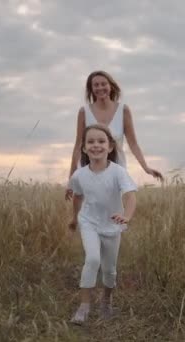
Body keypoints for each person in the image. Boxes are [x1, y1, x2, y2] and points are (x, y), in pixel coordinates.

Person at [68, 124, 137, 325]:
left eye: (101, 141)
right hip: (89, 222)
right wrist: (74, 218)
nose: (96, 145)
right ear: (83, 147)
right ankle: (84, 307)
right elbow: (77, 197)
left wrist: (127, 217)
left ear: (110, 147)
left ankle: (106, 301)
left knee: (110, 270)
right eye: (90, 141)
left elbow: (131, 197)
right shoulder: (79, 175)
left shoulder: (118, 172)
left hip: (112, 226)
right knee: (92, 259)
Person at [66, 70, 163, 200]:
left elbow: (133, 144)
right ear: (91, 89)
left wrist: (145, 167)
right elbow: (78, 145)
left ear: (111, 86)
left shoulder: (123, 110)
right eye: (96, 85)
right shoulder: (84, 112)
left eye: (103, 84)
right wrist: (71, 179)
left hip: (116, 167)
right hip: (88, 169)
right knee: (89, 212)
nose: (100, 88)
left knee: (114, 210)